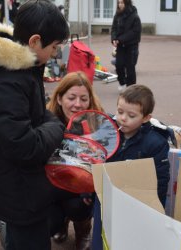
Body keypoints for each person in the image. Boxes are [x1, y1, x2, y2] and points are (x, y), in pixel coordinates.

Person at [0, 1, 69, 249]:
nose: (55, 53)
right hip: (17, 190)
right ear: (34, 41)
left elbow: (37, 115)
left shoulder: (21, 68)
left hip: (21, 185)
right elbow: (25, 146)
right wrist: (58, 127)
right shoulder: (6, 82)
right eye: (54, 47)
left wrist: (47, 122)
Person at [92, 84, 171, 249]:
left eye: (131, 115)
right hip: (105, 197)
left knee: (128, 240)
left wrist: (156, 208)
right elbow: (94, 162)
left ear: (146, 118)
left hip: (135, 202)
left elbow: (161, 179)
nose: (123, 118)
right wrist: (88, 192)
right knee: (101, 238)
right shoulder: (107, 132)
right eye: (120, 112)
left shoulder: (155, 143)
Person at [47, 71, 104, 250]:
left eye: (83, 98)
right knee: (49, 221)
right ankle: (61, 223)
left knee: (79, 206)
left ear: (90, 100)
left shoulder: (98, 122)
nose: (78, 104)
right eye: (71, 97)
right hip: (53, 186)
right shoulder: (46, 121)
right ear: (59, 98)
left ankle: (83, 230)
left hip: (81, 188)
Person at [111, 0, 141, 92]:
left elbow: (134, 32)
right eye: (119, 3)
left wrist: (120, 39)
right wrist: (114, 39)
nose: (120, 5)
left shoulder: (134, 16)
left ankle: (131, 89)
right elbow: (114, 29)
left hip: (131, 46)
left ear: (127, 3)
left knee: (130, 68)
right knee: (118, 65)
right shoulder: (117, 15)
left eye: (122, 3)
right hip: (120, 46)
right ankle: (122, 82)